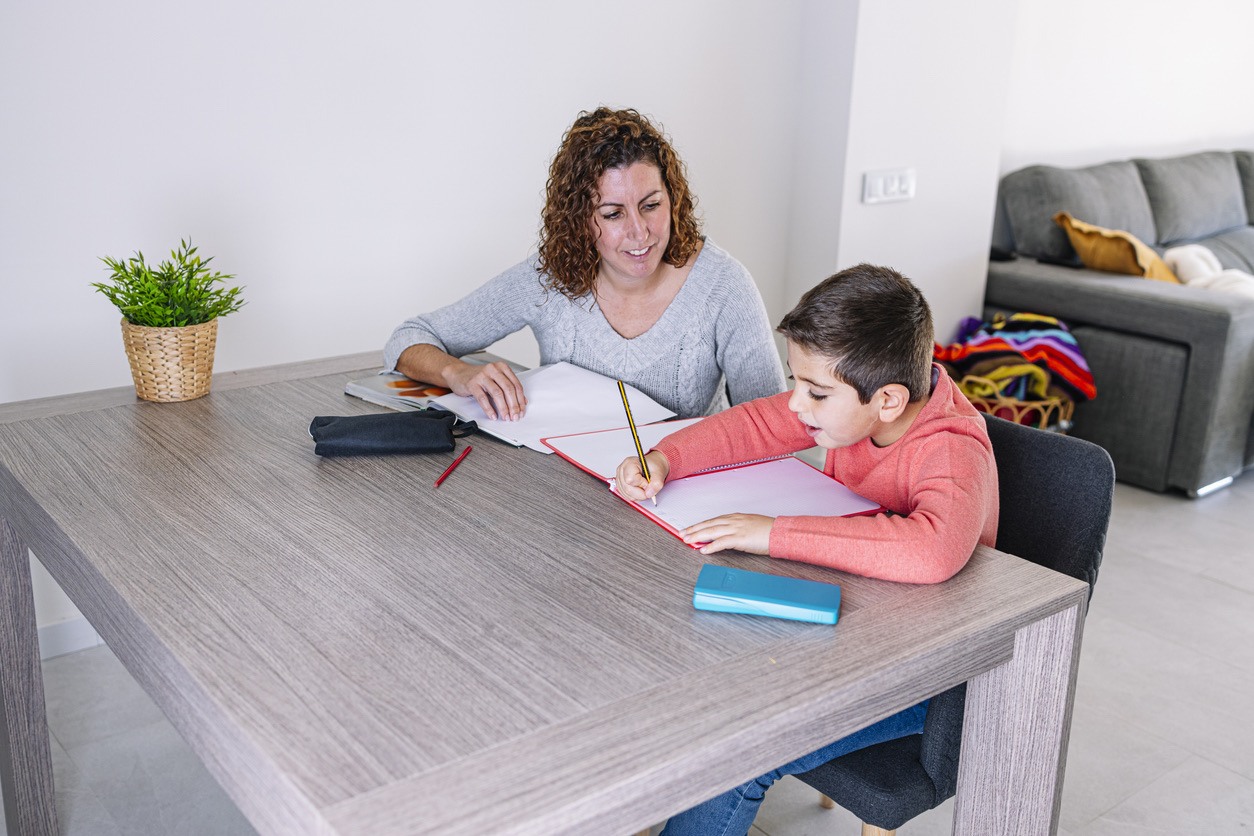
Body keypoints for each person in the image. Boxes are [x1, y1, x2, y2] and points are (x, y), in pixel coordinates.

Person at [615, 263, 999, 836]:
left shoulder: (950, 449)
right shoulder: (854, 407)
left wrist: (772, 531)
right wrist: (664, 458)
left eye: (814, 393)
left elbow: (932, 551)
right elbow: (754, 426)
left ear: (889, 400)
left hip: (928, 683)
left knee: (738, 752)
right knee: (683, 666)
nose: (796, 405)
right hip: (855, 634)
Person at [383, 107, 785, 421]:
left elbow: (775, 426)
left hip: (679, 501)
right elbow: (409, 338)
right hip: (567, 496)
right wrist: (459, 373)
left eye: (651, 206)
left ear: (673, 200)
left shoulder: (723, 286)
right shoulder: (551, 277)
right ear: (580, 221)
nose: (640, 232)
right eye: (613, 215)